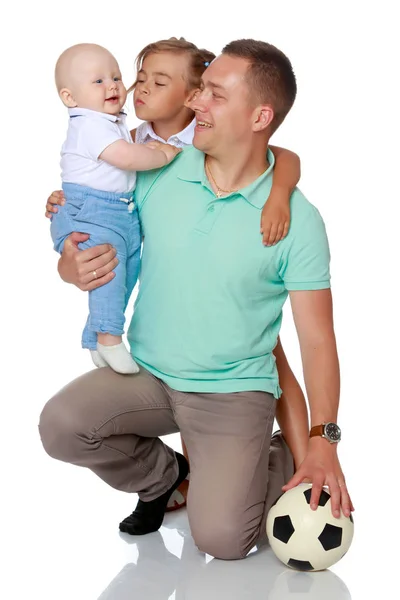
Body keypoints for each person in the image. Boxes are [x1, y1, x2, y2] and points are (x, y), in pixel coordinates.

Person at [40, 39, 354, 560]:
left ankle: (266, 457)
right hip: (150, 374)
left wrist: (323, 440)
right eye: (200, 90)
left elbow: (317, 341)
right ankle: (168, 475)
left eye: (215, 94)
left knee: (223, 542)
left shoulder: (298, 221)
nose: (196, 104)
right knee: (62, 426)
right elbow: (96, 223)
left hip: (232, 393)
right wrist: (68, 263)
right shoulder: (157, 169)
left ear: (260, 116)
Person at [51, 42, 180, 374]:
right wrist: (162, 154)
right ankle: (110, 338)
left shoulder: (110, 122)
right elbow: (127, 157)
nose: (112, 86)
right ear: (70, 97)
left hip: (119, 211)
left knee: (127, 273)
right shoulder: (90, 123)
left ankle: (96, 336)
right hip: (96, 210)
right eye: (98, 81)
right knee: (109, 273)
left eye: (116, 77)